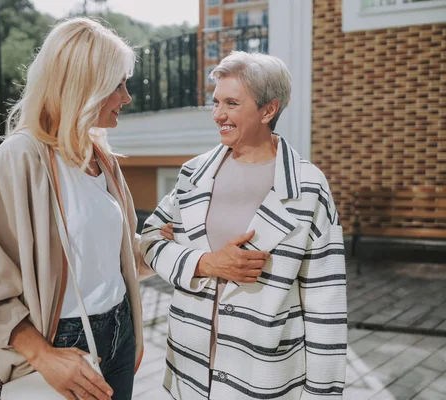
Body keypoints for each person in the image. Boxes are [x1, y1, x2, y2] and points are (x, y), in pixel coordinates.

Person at [0, 17, 151, 400]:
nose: (126, 97)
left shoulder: (101, 157)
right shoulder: (19, 159)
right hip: (59, 344)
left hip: (120, 332)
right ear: (84, 85)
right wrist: (43, 354)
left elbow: (117, 254)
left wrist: (173, 247)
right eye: (117, 84)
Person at [140, 51, 347, 399]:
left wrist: (322, 394)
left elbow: (326, 299)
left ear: (268, 110)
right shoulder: (194, 173)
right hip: (190, 369)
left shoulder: (307, 185)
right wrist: (204, 262)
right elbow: (149, 240)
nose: (218, 114)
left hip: (263, 374)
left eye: (232, 103)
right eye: (216, 102)